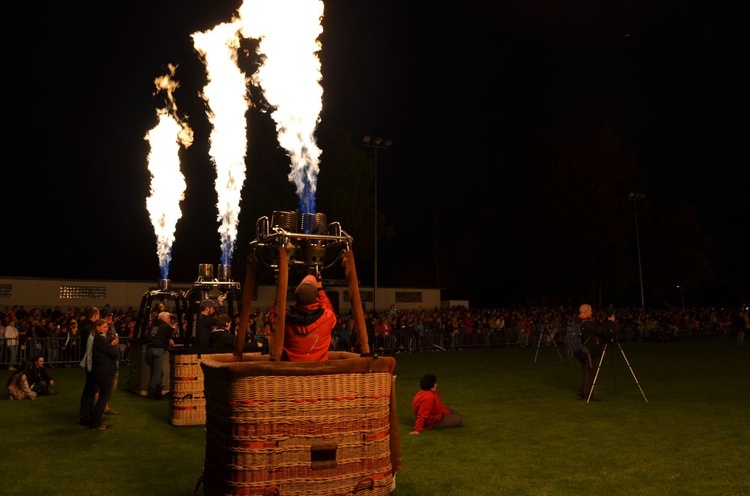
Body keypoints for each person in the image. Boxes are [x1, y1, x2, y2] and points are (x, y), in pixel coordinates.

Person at [281, 273, 336, 362]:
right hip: (318, 372)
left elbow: (275, 311)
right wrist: (320, 289)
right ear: (316, 298)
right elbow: (328, 307)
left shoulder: (284, 319)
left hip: (291, 372)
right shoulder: (327, 317)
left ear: (296, 298)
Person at [574, 303, 616, 401]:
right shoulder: (586, 323)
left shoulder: (577, 322)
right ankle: (588, 395)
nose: (592, 312)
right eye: (591, 310)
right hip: (589, 353)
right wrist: (610, 322)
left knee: (586, 372)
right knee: (590, 373)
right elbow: (603, 330)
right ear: (586, 311)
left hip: (580, 351)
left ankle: (582, 393)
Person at [89, 319, 119, 430]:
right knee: (103, 397)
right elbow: (114, 353)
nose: (107, 329)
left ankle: (97, 421)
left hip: (103, 371)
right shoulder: (100, 339)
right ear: (98, 327)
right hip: (105, 371)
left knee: (103, 396)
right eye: (105, 327)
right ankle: (96, 423)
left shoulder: (100, 339)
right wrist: (113, 345)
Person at [146, 311, 174, 400]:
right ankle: (153, 392)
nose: (170, 319)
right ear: (164, 318)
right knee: (157, 372)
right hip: (159, 349)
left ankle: (158, 391)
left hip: (149, 349)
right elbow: (171, 338)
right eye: (168, 318)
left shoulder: (154, 326)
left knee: (159, 372)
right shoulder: (166, 326)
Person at [79, 306, 100, 425]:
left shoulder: (85, 326)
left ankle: (90, 413)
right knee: (90, 389)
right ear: (96, 316)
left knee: (91, 388)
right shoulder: (89, 328)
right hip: (90, 362)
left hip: (89, 361)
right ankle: (86, 415)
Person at [99, 307, 120, 415]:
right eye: (107, 316)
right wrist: (113, 343)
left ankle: (106, 407)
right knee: (102, 387)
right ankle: (100, 409)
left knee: (111, 386)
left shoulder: (112, 327)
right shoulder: (101, 329)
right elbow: (104, 343)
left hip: (113, 359)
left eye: (111, 316)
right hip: (105, 361)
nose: (110, 318)